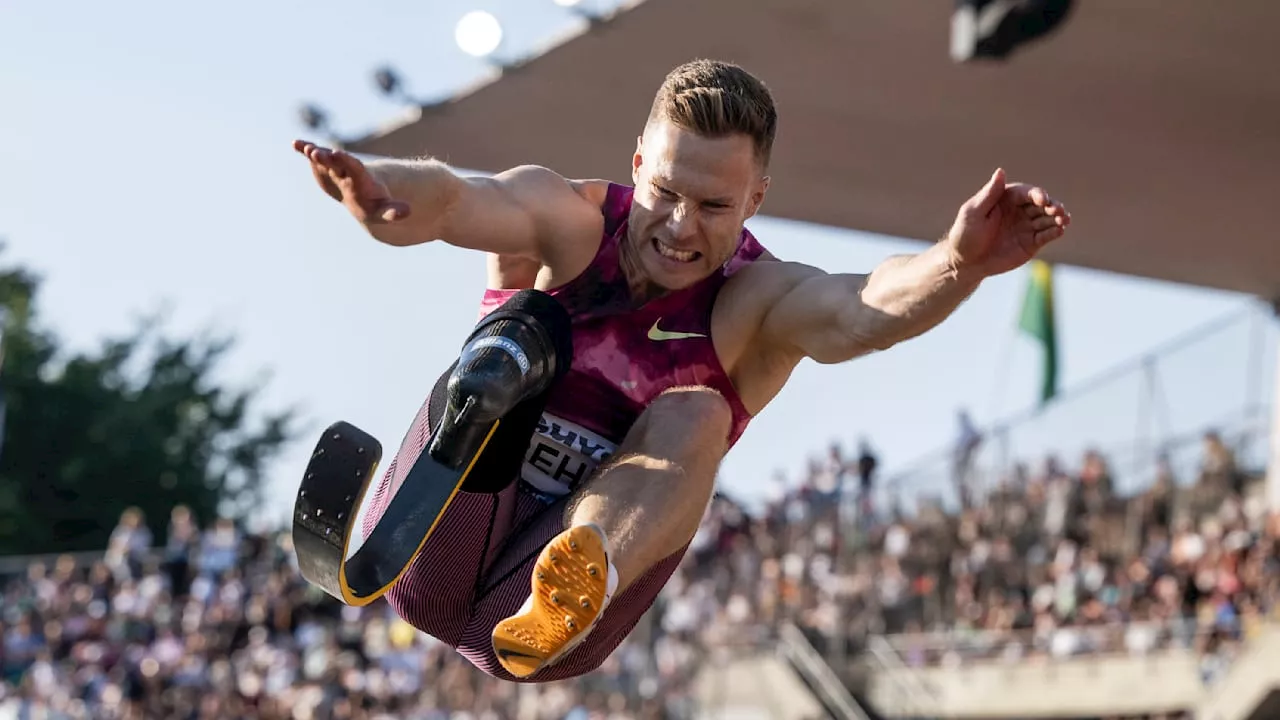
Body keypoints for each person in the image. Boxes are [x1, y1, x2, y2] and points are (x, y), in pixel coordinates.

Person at [293, 58, 1070, 682]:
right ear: (638, 164)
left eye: (712, 206)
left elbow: (862, 310)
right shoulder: (570, 222)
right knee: (523, 324)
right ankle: (478, 413)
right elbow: (462, 199)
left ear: (754, 201)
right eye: (664, 193)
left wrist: (957, 263)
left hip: (534, 628)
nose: (678, 226)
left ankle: (578, 575)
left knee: (697, 411)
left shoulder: (755, 304)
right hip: (435, 550)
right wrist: (383, 189)